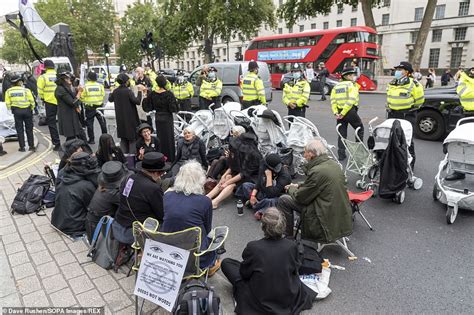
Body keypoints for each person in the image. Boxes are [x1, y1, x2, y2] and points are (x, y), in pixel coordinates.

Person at [221, 207, 316, 314]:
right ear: (282, 226)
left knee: (226, 263)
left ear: (263, 226)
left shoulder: (254, 247)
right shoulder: (291, 246)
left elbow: (244, 274)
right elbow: (295, 270)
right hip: (286, 294)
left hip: (260, 298)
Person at [277, 139, 352, 242]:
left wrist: (291, 188)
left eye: (305, 152)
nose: (304, 155)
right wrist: (299, 185)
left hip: (323, 212)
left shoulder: (317, 171)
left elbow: (301, 197)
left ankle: (288, 237)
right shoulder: (333, 165)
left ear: (311, 154)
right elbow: (318, 185)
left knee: (284, 200)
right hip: (337, 208)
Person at [162, 161, 219, 272]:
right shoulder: (205, 201)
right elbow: (207, 229)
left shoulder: (167, 196)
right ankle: (212, 264)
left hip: (169, 251)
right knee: (213, 235)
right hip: (195, 256)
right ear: (200, 180)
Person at [113, 152, 171, 244]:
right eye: (162, 172)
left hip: (118, 225)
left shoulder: (129, 178)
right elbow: (162, 214)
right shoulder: (153, 188)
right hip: (134, 233)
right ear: (157, 172)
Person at [207, 131, 261, 209]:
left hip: (253, 177)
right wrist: (224, 176)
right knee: (227, 177)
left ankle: (215, 202)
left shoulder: (255, 156)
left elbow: (244, 174)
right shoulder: (240, 151)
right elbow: (232, 166)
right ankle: (208, 197)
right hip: (241, 174)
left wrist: (227, 182)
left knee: (231, 184)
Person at [51, 151, 100, 237]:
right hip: (75, 226)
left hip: (57, 220)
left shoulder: (63, 175)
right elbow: (93, 207)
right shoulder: (86, 186)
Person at [386, 61, 424, 167]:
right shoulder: (393, 83)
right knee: (392, 138)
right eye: (396, 69)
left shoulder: (414, 84)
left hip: (407, 115)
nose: (397, 71)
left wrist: (409, 109)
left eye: (400, 69)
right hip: (392, 114)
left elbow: (419, 101)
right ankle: (395, 162)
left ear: (407, 72)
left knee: (407, 140)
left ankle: (410, 164)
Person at [235, 153, 291, 219]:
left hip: (275, 195)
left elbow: (271, 194)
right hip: (263, 190)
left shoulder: (285, 176)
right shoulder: (264, 164)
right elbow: (259, 181)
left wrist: (269, 177)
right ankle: (259, 206)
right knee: (246, 185)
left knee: (270, 201)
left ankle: (257, 206)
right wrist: (253, 195)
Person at [86, 161, 130, 243]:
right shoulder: (112, 193)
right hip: (99, 228)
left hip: (93, 222)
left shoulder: (104, 187)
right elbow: (129, 204)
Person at [447, 67, 474, 181]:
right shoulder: (465, 76)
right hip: (467, 113)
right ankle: (459, 171)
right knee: (461, 143)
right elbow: (463, 93)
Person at [331, 67, 364, 161]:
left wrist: (336, 113)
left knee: (342, 134)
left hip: (339, 112)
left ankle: (341, 155)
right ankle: (359, 153)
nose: (354, 77)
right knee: (359, 129)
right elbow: (351, 100)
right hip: (349, 111)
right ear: (348, 76)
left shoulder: (336, 86)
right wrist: (344, 112)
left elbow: (333, 101)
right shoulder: (351, 85)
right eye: (353, 75)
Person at [143, 75, 178, 162]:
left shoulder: (153, 94)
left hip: (158, 118)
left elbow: (147, 108)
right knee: (169, 139)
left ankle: (161, 157)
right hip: (167, 118)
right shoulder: (169, 94)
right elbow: (173, 109)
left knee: (160, 139)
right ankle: (170, 158)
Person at [108, 73, 143, 155]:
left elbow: (110, 99)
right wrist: (140, 92)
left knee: (123, 139)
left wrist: (111, 91)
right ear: (126, 82)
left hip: (120, 119)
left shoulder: (116, 91)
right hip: (130, 119)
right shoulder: (128, 91)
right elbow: (137, 101)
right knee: (132, 139)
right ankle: (131, 161)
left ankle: (124, 159)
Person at [4, 74, 35, 152]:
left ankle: (22, 147)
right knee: (29, 129)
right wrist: (31, 109)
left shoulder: (9, 91)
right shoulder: (26, 90)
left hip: (17, 112)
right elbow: (32, 101)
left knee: (19, 129)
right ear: (19, 82)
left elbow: (7, 103)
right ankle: (31, 146)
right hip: (27, 111)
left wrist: (11, 110)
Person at [55, 72, 86, 142]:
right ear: (63, 80)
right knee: (72, 137)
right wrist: (79, 93)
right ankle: (85, 150)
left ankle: (86, 150)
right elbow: (72, 102)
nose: (69, 79)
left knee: (78, 135)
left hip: (71, 115)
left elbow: (71, 92)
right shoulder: (60, 90)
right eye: (67, 78)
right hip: (67, 116)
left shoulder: (64, 88)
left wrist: (76, 89)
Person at [37, 59, 60, 150]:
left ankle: (57, 143)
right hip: (61, 101)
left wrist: (43, 98)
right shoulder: (58, 76)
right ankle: (71, 141)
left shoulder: (42, 77)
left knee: (52, 123)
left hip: (49, 102)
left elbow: (40, 90)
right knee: (64, 122)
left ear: (45, 67)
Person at [80, 71, 106, 144]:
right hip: (99, 107)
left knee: (90, 124)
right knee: (102, 123)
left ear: (88, 78)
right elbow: (103, 95)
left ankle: (92, 139)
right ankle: (105, 138)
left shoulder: (85, 86)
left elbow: (81, 97)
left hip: (89, 108)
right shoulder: (100, 86)